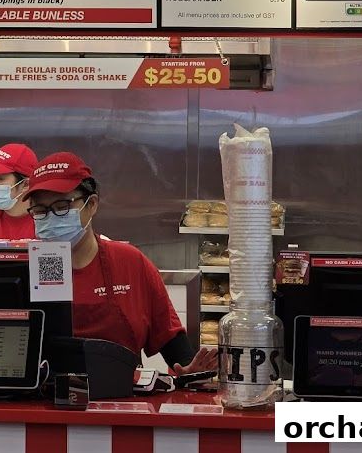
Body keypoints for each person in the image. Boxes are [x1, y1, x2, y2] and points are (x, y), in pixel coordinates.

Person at [23, 152, 218, 375]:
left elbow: (171, 341)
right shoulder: (27, 268)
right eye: (40, 211)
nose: (51, 218)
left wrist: (189, 372)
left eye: (61, 207)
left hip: (123, 400)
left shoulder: (130, 263)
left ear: (92, 204)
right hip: (45, 404)